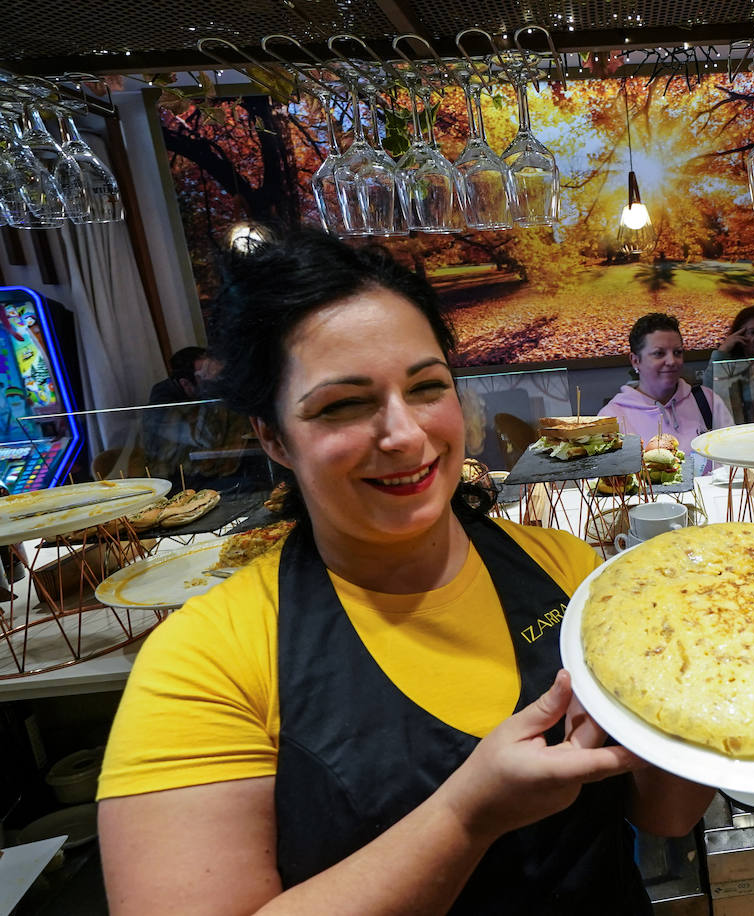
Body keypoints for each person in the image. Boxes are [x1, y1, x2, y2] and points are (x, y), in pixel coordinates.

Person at [98, 232, 715, 914]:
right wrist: (465, 817)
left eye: (426, 387)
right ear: (273, 436)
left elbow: (665, 815)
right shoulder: (203, 662)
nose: (405, 435)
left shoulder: (566, 571)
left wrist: (706, 676)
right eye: (342, 405)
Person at [598, 313, 734, 460]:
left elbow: (733, 459)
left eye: (677, 352)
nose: (671, 361)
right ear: (635, 360)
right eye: (659, 353)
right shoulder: (612, 417)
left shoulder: (707, 401)